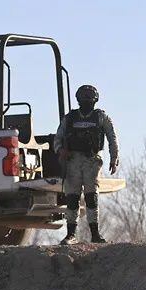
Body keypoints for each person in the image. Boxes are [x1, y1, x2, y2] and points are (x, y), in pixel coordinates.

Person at [54, 85, 119, 245]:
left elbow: (112, 136)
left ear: (95, 100)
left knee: (91, 197)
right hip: (73, 161)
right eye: (84, 97)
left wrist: (114, 157)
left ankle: (95, 234)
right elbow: (58, 138)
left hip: (92, 161)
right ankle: (71, 234)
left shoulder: (101, 117)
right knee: (72, 198)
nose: (87, 101)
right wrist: (61, 151)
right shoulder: (70, 118)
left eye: (89, 97)